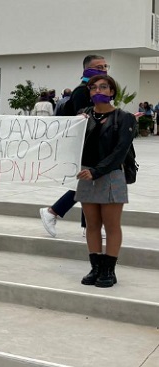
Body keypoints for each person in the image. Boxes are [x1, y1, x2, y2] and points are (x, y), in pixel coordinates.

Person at [75, 74, 133, 288]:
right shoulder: (82, 116)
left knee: (111, 225)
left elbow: (120, 151)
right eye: (93, 88)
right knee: (91, 224)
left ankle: (109, 269)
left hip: (110, 175)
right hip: (86, 175)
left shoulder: (124, 118)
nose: (97, 91)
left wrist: (97, 171)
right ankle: (96, 267)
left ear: (112, 92)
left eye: (103, 87)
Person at [40, 54, 108, 237]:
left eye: (105, 66)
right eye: (99, 67)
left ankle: (87, 225)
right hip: (84, 147)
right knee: (87, 183)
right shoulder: (81, 92)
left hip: (94, 146)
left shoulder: (98, 91)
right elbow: (84, 119)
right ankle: (53, 212)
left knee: (88, 184)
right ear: (87, 70)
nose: (104, 70)